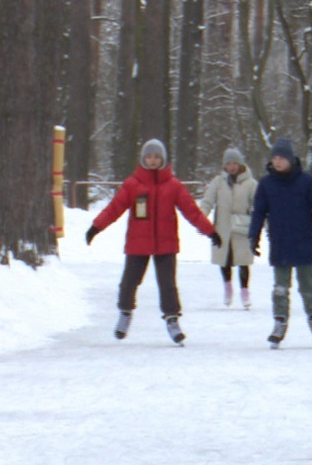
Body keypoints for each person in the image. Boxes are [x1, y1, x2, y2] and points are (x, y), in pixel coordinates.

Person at [86, 138, 221, 345]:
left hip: (165, 244)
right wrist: (96, 227)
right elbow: (114, 208)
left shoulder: (173, 186)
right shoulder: (132, 185)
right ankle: (125, 313)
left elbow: (192, 211)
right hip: (137, 243)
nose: (152, 160)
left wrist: (211, 232)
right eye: (149, 156)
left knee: (167, 285)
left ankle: (172, 320)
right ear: (143, 159)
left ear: (163, 159)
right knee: (129, 282)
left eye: (157, 157)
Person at [248, 138, 312, 347]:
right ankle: (280, 321)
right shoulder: (266, 184)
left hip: (303, 241)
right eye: (274, 158)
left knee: (308, 286)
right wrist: (253, 235)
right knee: (280, 287)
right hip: (280, 242)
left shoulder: (306, 181)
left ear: (291, 159)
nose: (277, 162)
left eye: (282, 158)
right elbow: (259, 212)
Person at [199, 147, 257, 309]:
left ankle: (245, 291)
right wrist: (202, 218)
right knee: (224, 259)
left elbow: (258, 205)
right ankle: (227, 287)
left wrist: (257, 223)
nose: (232, 167)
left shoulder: (251, 184)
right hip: (222, 227)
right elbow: (208, 201)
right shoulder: (218, 182)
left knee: (243, 261)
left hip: (242, 228)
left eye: (234, 163)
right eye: (228, 164)